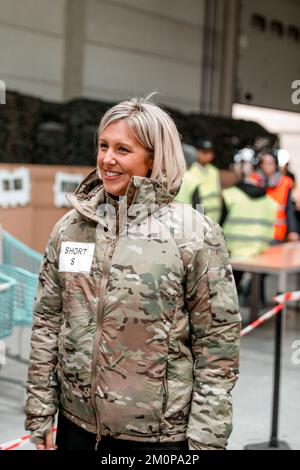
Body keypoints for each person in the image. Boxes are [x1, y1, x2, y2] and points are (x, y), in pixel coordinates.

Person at [24, 95, 241, 452]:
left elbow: (217, 345)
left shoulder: (192, 234)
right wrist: (40, 412)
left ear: (154, 158)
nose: (107, 159)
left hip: (159, 438)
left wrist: (208, 438)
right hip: (75, 425)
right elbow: (48, 321)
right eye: (104, 146)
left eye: (123, 150)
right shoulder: (72, 228)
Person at [220, 148, 278, 292]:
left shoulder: (230, 195)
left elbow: (220, 224)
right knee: (257, 289)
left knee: (232, 289)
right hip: (260, 251)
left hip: (235, 252)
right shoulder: (269, 201)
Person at [175, 139, 222, 223]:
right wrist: (200, 220)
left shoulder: (214, 171)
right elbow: (196, 201)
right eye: (204, 152)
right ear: (197, 152)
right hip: (198, 217)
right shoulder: (190, 171)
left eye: (211, 152)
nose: (208, 155)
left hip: (214, 219)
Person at [257, 149, 299, 243]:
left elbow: (289, 209)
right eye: (265, 163)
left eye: (270, 163)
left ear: (275, 165)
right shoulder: (255, 182)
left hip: (277, 234)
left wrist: (293, 230)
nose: (267, 166)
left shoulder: (285, 183)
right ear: (261, 165)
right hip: (258, 233)